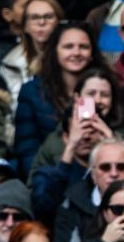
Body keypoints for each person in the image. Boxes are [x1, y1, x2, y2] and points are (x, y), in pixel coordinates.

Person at [14, 22, 111, 173]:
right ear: (55, 52)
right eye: (68, 46)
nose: (76, 52)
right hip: (48, 172)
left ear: (92, 53)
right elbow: (27, 148)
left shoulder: (104, 88)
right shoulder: (32, 91)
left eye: (83, 47)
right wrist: (42, 179)